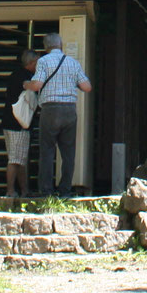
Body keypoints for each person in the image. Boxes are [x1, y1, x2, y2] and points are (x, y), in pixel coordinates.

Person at [24, 34, 92, 196]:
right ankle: (65, 190)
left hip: (50, 110)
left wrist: (27, 84)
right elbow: (87, 87)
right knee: (68, 153)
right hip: (69, 111)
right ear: (61, 45)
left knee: (47, 151)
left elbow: (37, 84)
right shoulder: (73, 63)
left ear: (46, 47)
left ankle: (46, 191)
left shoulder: (43, 61)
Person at [1, 49, 38, 198]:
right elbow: (30, 86)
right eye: (37, 62)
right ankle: (10, 191)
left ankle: (24, 191)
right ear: (31, 63)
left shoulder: (15, 74)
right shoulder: (22, 76)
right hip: (18, 124)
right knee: (15, 159)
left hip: (11, 122)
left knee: (20, 159)